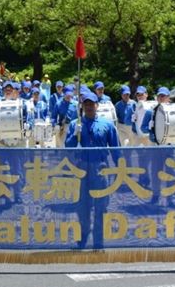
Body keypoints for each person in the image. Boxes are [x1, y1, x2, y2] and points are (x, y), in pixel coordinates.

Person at [65, 91, 119, 248]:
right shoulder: (76, 124)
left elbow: (116, 149)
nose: (89, 107)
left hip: (101, 170)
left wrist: (120, 170)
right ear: (82, 106)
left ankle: (98, 241)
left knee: (101, 207)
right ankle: (83, 238)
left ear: (97, 105)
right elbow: (68, 147)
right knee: (83, 207)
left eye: (91, 104)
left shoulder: (107, 125)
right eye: (86, 104)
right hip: (82, 169)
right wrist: (75, 134)